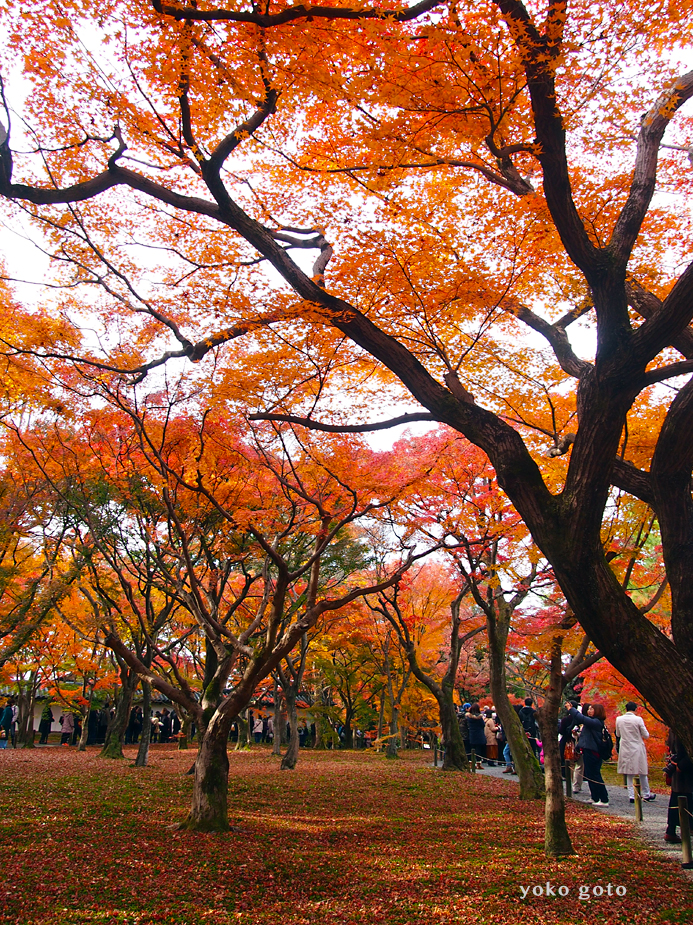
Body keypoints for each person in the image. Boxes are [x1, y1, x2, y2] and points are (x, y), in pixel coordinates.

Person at [566, 702, 609, 805]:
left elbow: (581, 718)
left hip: (593, 752)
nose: (589, 711)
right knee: (590, 775)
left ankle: (603, 799)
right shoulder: (592, 722)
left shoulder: (596, 722)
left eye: (591, 709)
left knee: (595, 775)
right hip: (588, 750)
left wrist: (571, 709)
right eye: (589, 709)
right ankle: (595, 797)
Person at [615, 701, 655, 803]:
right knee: (642, 771)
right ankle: (646, 793)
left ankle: (631, 795)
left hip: (625, 747)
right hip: (637, 746)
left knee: (629, 773)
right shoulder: (638, 719)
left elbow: (618, 734)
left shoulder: (619, 719)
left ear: (626, 709)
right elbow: (645, 735)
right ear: (635, 709)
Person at [665, 730, 693, 844]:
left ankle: (672, 829)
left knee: (678, 798)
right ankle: (675, 830)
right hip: (684, 768)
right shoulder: (680, 728)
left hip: (680, 766)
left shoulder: (674, 728)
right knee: (683, 798)